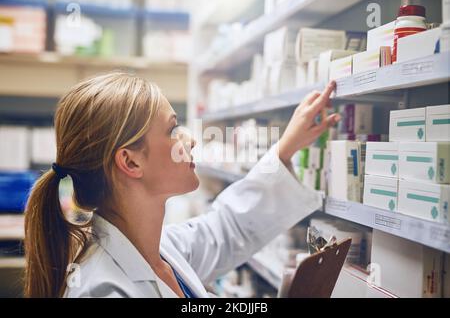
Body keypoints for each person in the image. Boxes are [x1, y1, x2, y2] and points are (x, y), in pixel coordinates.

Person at [24, 72, 340, 298]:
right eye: (173, 129)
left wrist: (285, 148)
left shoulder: (162, 250)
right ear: (131, 162)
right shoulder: (103, 290)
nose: (189, 139)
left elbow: (228, 229)